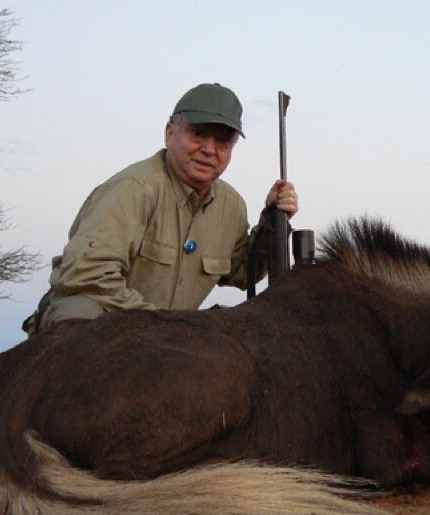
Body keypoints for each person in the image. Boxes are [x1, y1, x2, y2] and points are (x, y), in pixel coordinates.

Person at [23, 83, 298, 335]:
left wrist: (272, 221)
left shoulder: (232, 205)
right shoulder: (133, 189)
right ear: (170, 132)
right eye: (198, 134)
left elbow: (242, 273)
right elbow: (84, 276)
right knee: (78, 313)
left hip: (166, 337)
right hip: (112, 322)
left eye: (222, 141)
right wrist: (164, 326)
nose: (208, 149)